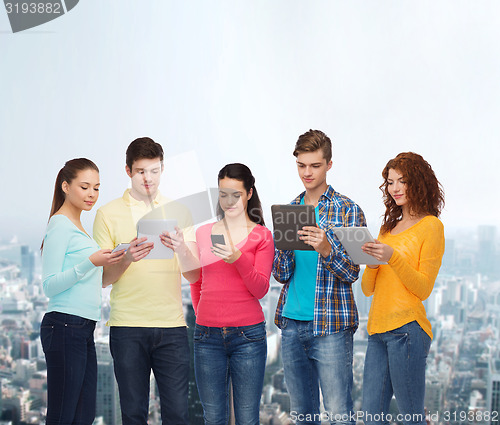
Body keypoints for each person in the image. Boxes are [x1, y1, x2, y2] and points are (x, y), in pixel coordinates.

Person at [93, 137, 199, 425]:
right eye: (141, 171)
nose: (148, 178)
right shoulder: (107, 214)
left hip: (172, 327)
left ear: (162, 169)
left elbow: (193, 274)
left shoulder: (181, 212)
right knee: (133, 414)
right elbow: (103, 279)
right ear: (128, 171)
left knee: (178, 415)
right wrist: (127, 257)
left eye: (154, 171)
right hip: (127, 326)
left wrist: (181, 247)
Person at [273, 130, 366, 425]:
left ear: (328, 164)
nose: (307, 173)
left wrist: (326, 249)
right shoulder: (290, 211)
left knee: (340, 415)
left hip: (332, 328)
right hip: (291, 325)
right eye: (301, 165)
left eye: (314, 165)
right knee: (303, 417)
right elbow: (281, 274)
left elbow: (352, 273)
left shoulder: (349, 211)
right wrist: (287, 247)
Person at [360, 152, 445, 425]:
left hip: (407, 332)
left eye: (402, 181)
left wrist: (392, 257)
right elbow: (366, 290)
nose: (394, 188)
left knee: (411, 418)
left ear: (418, 183)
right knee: (372, 418)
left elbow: (423, 288)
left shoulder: (431, 227)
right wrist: (372, 263)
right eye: (390, 182)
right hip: (377, 332)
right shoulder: (387, 228)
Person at [41, 158, 124, 425]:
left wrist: (126, 258)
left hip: (83, 328)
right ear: (65, 186)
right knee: (63, 416)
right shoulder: (59, 224)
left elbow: (98, 280)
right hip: (64, 325)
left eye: (97, 188)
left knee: (83, 416)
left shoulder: (81, 230)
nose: (92, 195)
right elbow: (49, 285)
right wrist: (90, 262)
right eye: (85, 187)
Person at [190, 163, 274, 425]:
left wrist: (237, 257)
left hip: (247, 336)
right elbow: (196, 281)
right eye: (223, 194)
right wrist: (202, 315)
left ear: (249, 193)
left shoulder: (262, 236)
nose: (229, 201)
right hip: (207, 336)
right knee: (213, 417)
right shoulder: (203, 233)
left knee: (247, 418)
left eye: (235, 194)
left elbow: (260, 288)